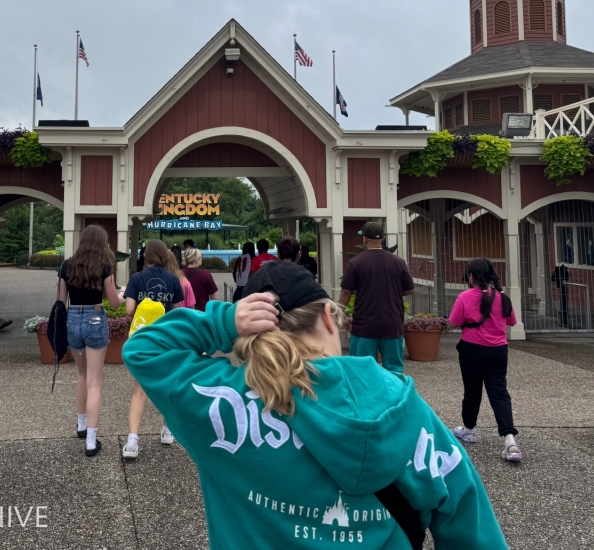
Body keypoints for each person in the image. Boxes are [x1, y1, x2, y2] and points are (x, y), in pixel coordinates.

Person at [124, 262, 509, 550]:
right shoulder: (402, 405)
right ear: (329, 316)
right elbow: (471, 525)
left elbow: (142, 348)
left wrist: (226, 319)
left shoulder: (221, 401)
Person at [57, 224, 123, 457]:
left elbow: (60, 300)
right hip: (95, 318)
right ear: (100, 243)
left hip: (73, 318)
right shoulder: (104, 267)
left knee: (82, 375)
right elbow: (114, 303)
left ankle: (81, 425)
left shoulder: (66, 265)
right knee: (95, 381)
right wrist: (122, 294)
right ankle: (91, 442)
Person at [449, 257, 522, 463]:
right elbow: (511, 321)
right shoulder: (503, 298)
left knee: (472, 390)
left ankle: (469, 429)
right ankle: (510, 440)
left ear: (471, 276)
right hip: (498, 350)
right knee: (499, 392)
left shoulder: (465, 297)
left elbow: (454, 321)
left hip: (471, 349)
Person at [122, 239, 184, 460]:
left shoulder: (137, 278)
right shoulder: (173, 279)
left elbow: (129, 310)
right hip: (165, 339)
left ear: (146, 256)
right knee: (167, 387)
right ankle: (167, 431)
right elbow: (177, 312)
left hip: (142, 340)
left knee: (139, 390)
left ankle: (132, 442)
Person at [340, 222, 414, 376]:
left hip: (364, 324)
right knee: (394, 369)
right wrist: (390, 291)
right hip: (392, 323)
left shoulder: (356, 262)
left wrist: (338, 312)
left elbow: (346, 292)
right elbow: (409, 289)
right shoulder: (398, 262)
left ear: (364, 239)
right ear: (384, 238)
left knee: (362, 369)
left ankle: (365, 399)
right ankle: (394, 398)